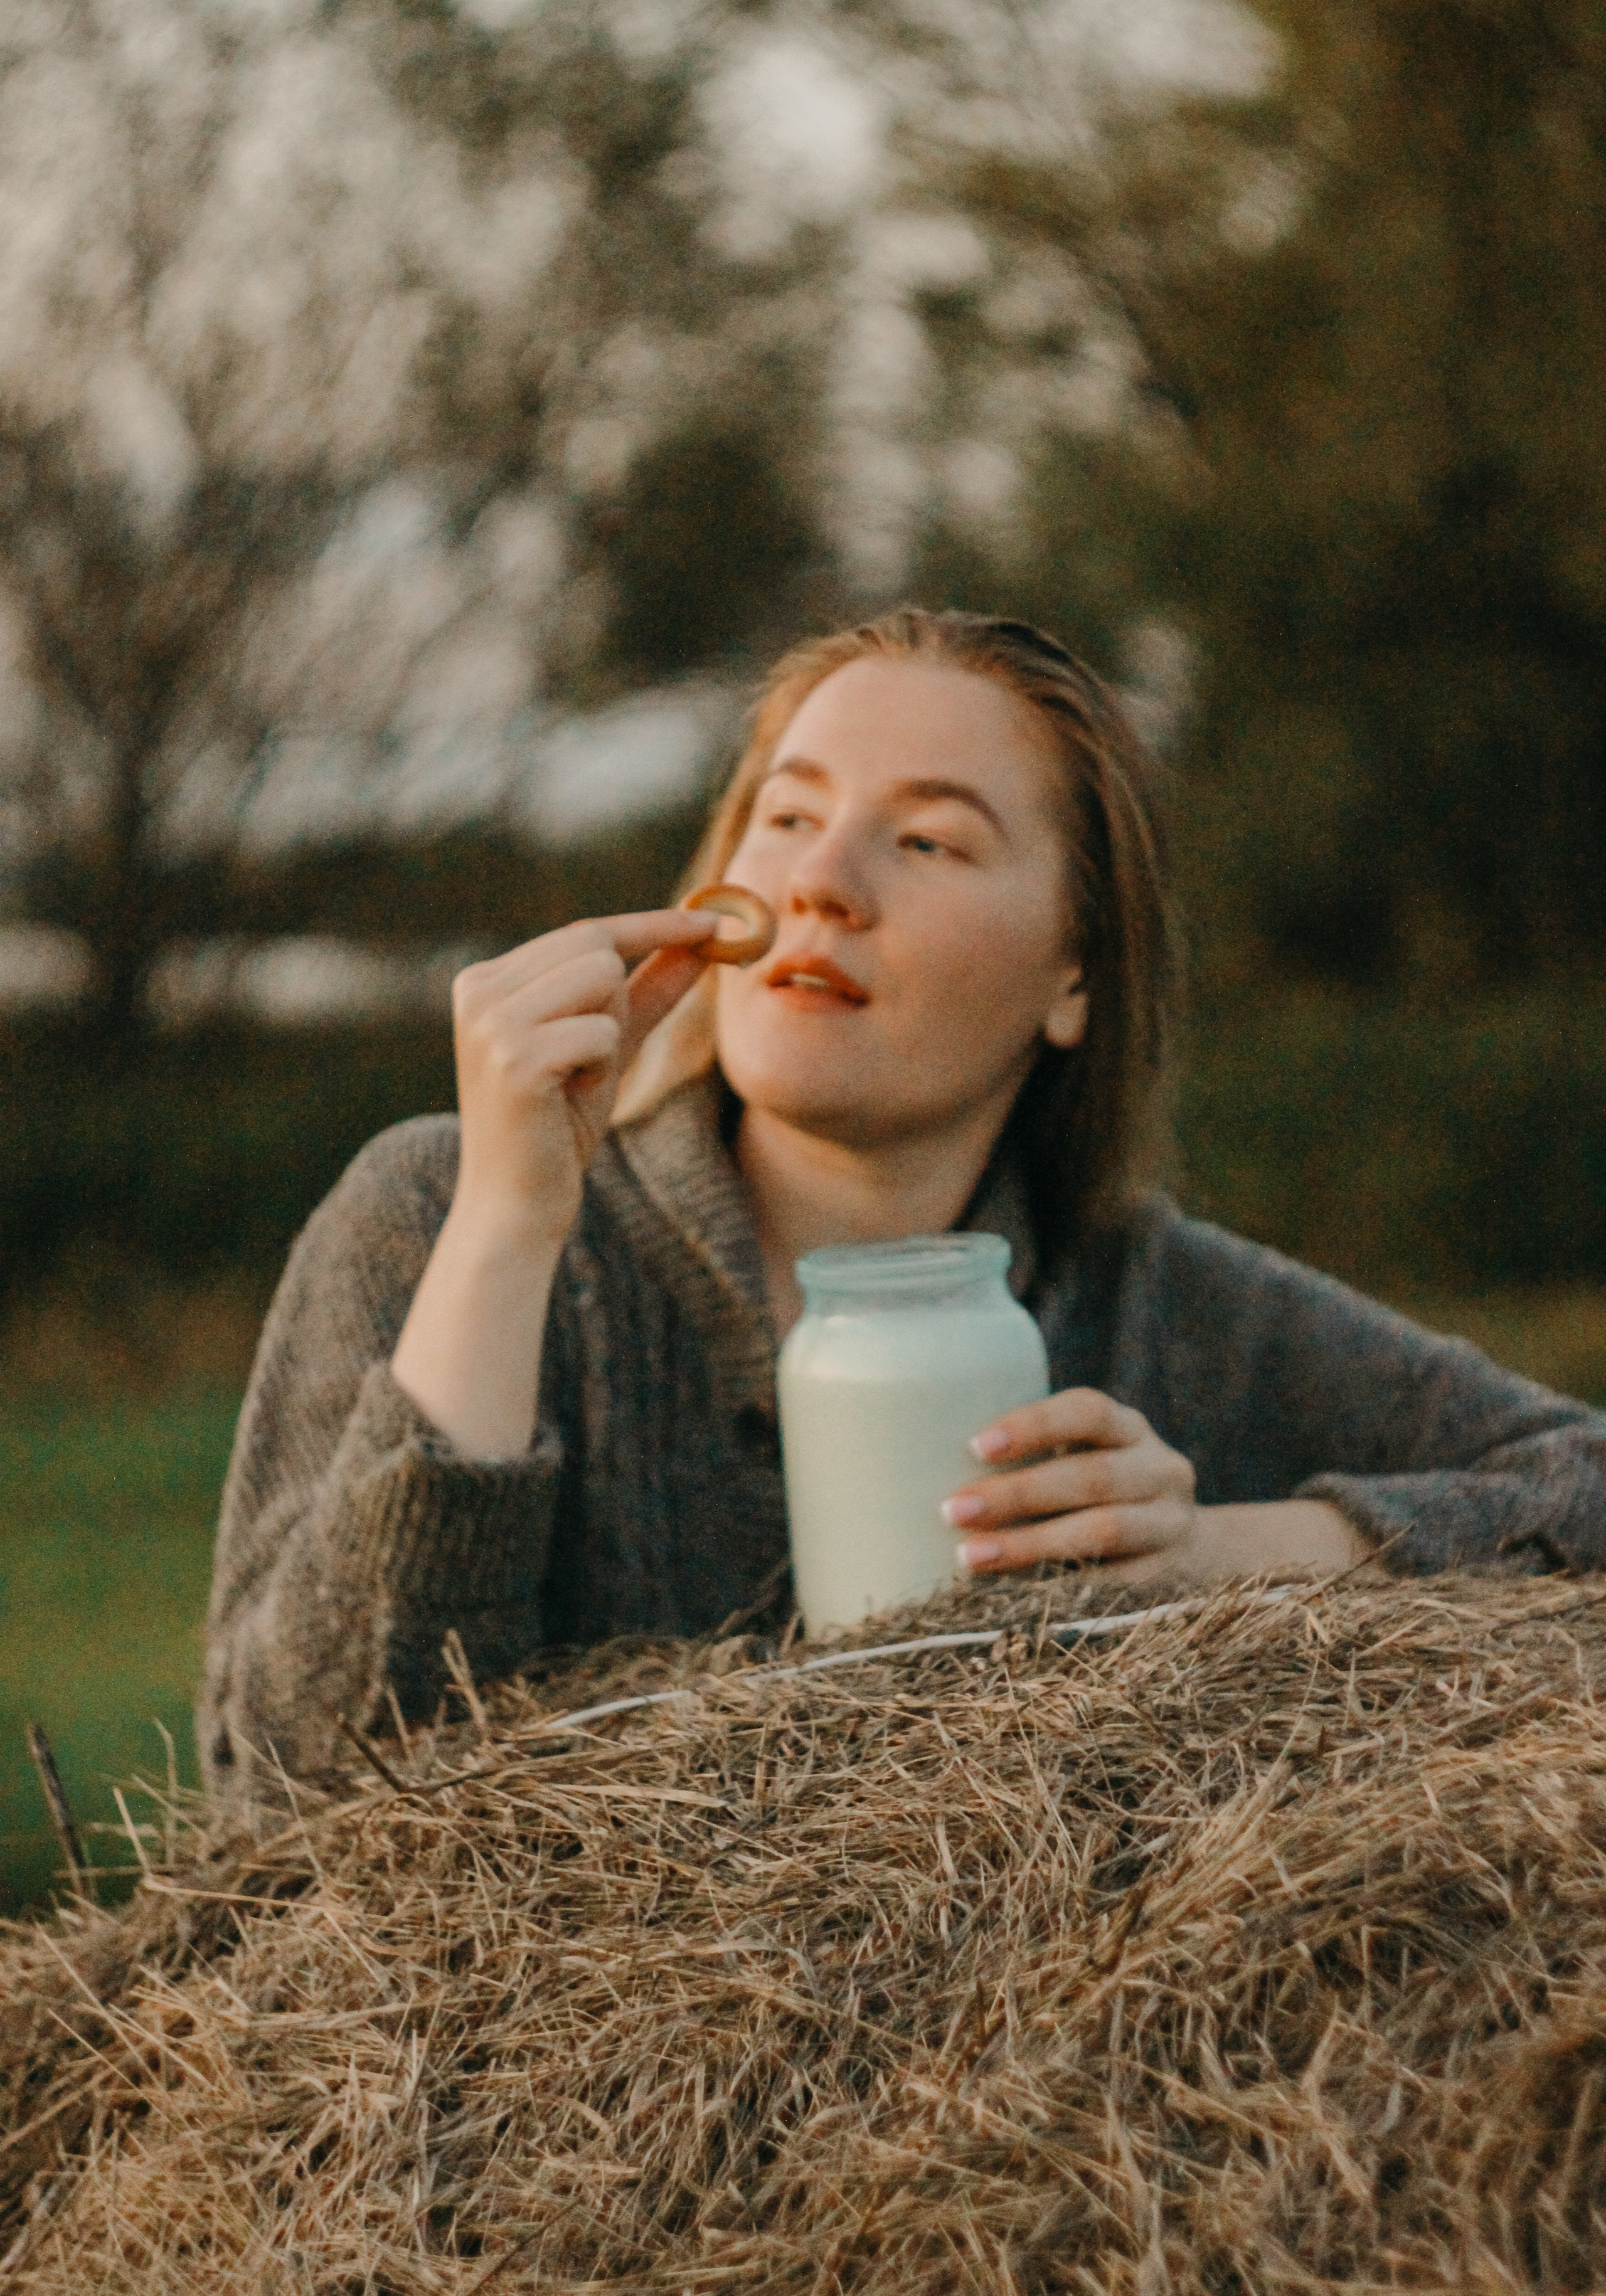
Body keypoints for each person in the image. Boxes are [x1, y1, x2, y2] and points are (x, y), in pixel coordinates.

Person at [199, 608, 1606, 1810]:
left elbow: (1578, 1490)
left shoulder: (1153, 1302)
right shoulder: (440, 1210)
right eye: (788, 815)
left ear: (1075, 977)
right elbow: (296, 1792)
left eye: (926, 842)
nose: (819, 881)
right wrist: (508, 1234)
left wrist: (1221, 1551)